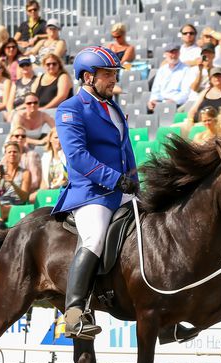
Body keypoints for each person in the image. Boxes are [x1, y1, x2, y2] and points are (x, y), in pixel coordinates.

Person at [54, 46, 139, 339]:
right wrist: (115, 180)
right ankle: (75, 315)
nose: (113, 80)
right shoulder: (70, 109)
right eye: (107, 74)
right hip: (91, 193)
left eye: (114, 74)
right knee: (95, 238)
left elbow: (125, 149)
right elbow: (77, 157)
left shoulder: (113, 107)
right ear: (88, 77)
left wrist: (134, 180)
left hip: (123, 189)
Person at [147, 45, 195, 112]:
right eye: (171, 53)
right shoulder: (162, 70)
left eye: (175, 52)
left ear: (179, 54)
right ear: (165, 54)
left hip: (176, 103)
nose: (173, 55)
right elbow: (156, 89)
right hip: (160, 102)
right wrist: (153, 100)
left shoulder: (186, 70)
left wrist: (174, 101)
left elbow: (185, 92)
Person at [0, 140, 32, 206]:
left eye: (15, 152)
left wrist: (13, 183)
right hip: (1, 204)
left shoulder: (25, 173)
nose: (12, 154)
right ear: (5, 155)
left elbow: (25, 198)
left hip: (16, 206)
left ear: (19, 154)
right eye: (9, 152)